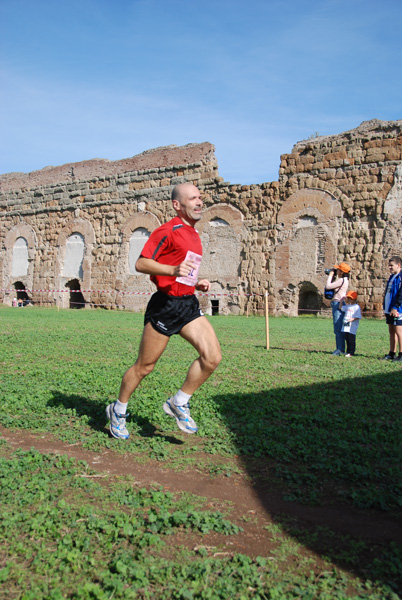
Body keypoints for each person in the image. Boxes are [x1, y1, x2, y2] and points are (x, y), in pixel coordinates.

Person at [106, 183, 222, 439]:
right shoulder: (167, 230)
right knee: (144, 367)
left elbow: (183, 269)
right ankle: (118, 409)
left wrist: (196, 281)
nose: (199, 201)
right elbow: (141, 263)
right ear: (177, 205)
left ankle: (178, 402)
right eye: (193, 198)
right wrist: (172, 272)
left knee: (212, 357)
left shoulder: (193, 232)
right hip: (165, 306)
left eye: (200, 197)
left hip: (188, 303)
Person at [325, 262, 351, 355]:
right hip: (337, 303)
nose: (337, 270)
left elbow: (328, 286)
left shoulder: (342, 280)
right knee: (338, 327)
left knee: (338, 327)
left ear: (342, 272)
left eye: (338, 269)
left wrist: (331, 275)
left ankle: (340, 349)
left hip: (337, 303)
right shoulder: (344, 280)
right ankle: (340, 348)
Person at [381, 255, 402, 361]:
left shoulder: (401, 277)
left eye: (391, 265)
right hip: (389, 309)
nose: (389, 267)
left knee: (399, 331)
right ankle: (392, 353)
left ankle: (401, 354)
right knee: (391, 331)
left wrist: (396, 307)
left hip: (397, 309)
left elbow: (401, 294)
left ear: (398, 265)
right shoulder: (392, 277)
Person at [339, 291, 362, 357]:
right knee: (347, 338)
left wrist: (351, 319)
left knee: (351, 339)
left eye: (350, 298)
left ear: (354, 299)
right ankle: (348, 351)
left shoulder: (356, 307)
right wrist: (341, 301)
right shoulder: (348, 306)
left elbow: (358, 316)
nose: (349, 299)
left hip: (352, 326)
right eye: (348, 298)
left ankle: (351, 352)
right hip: (346, 325)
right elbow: (340, 308)